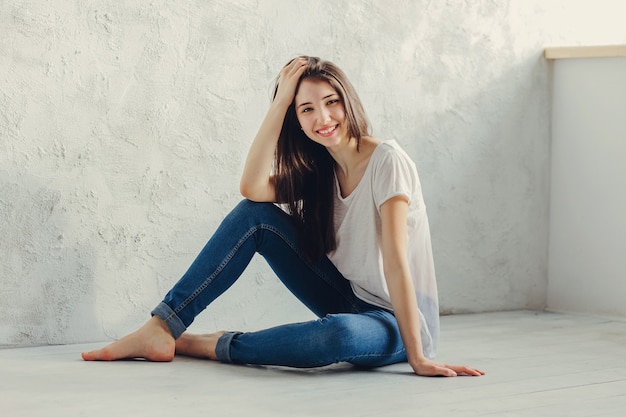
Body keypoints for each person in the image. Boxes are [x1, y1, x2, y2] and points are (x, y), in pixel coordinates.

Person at [82, 56, 484, 377]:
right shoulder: (319, 171)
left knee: (337, 336)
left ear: (348, 100)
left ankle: (208, 344)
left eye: (331, 103)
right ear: (297, 121)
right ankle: (164, 326)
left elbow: (396, 263)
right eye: (306, 110)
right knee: (254, 216)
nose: (323, 119)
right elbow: (252, 190)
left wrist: (418, 358)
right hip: (348, 295)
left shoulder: (387, 162)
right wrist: (279, 104)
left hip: (396, 320)